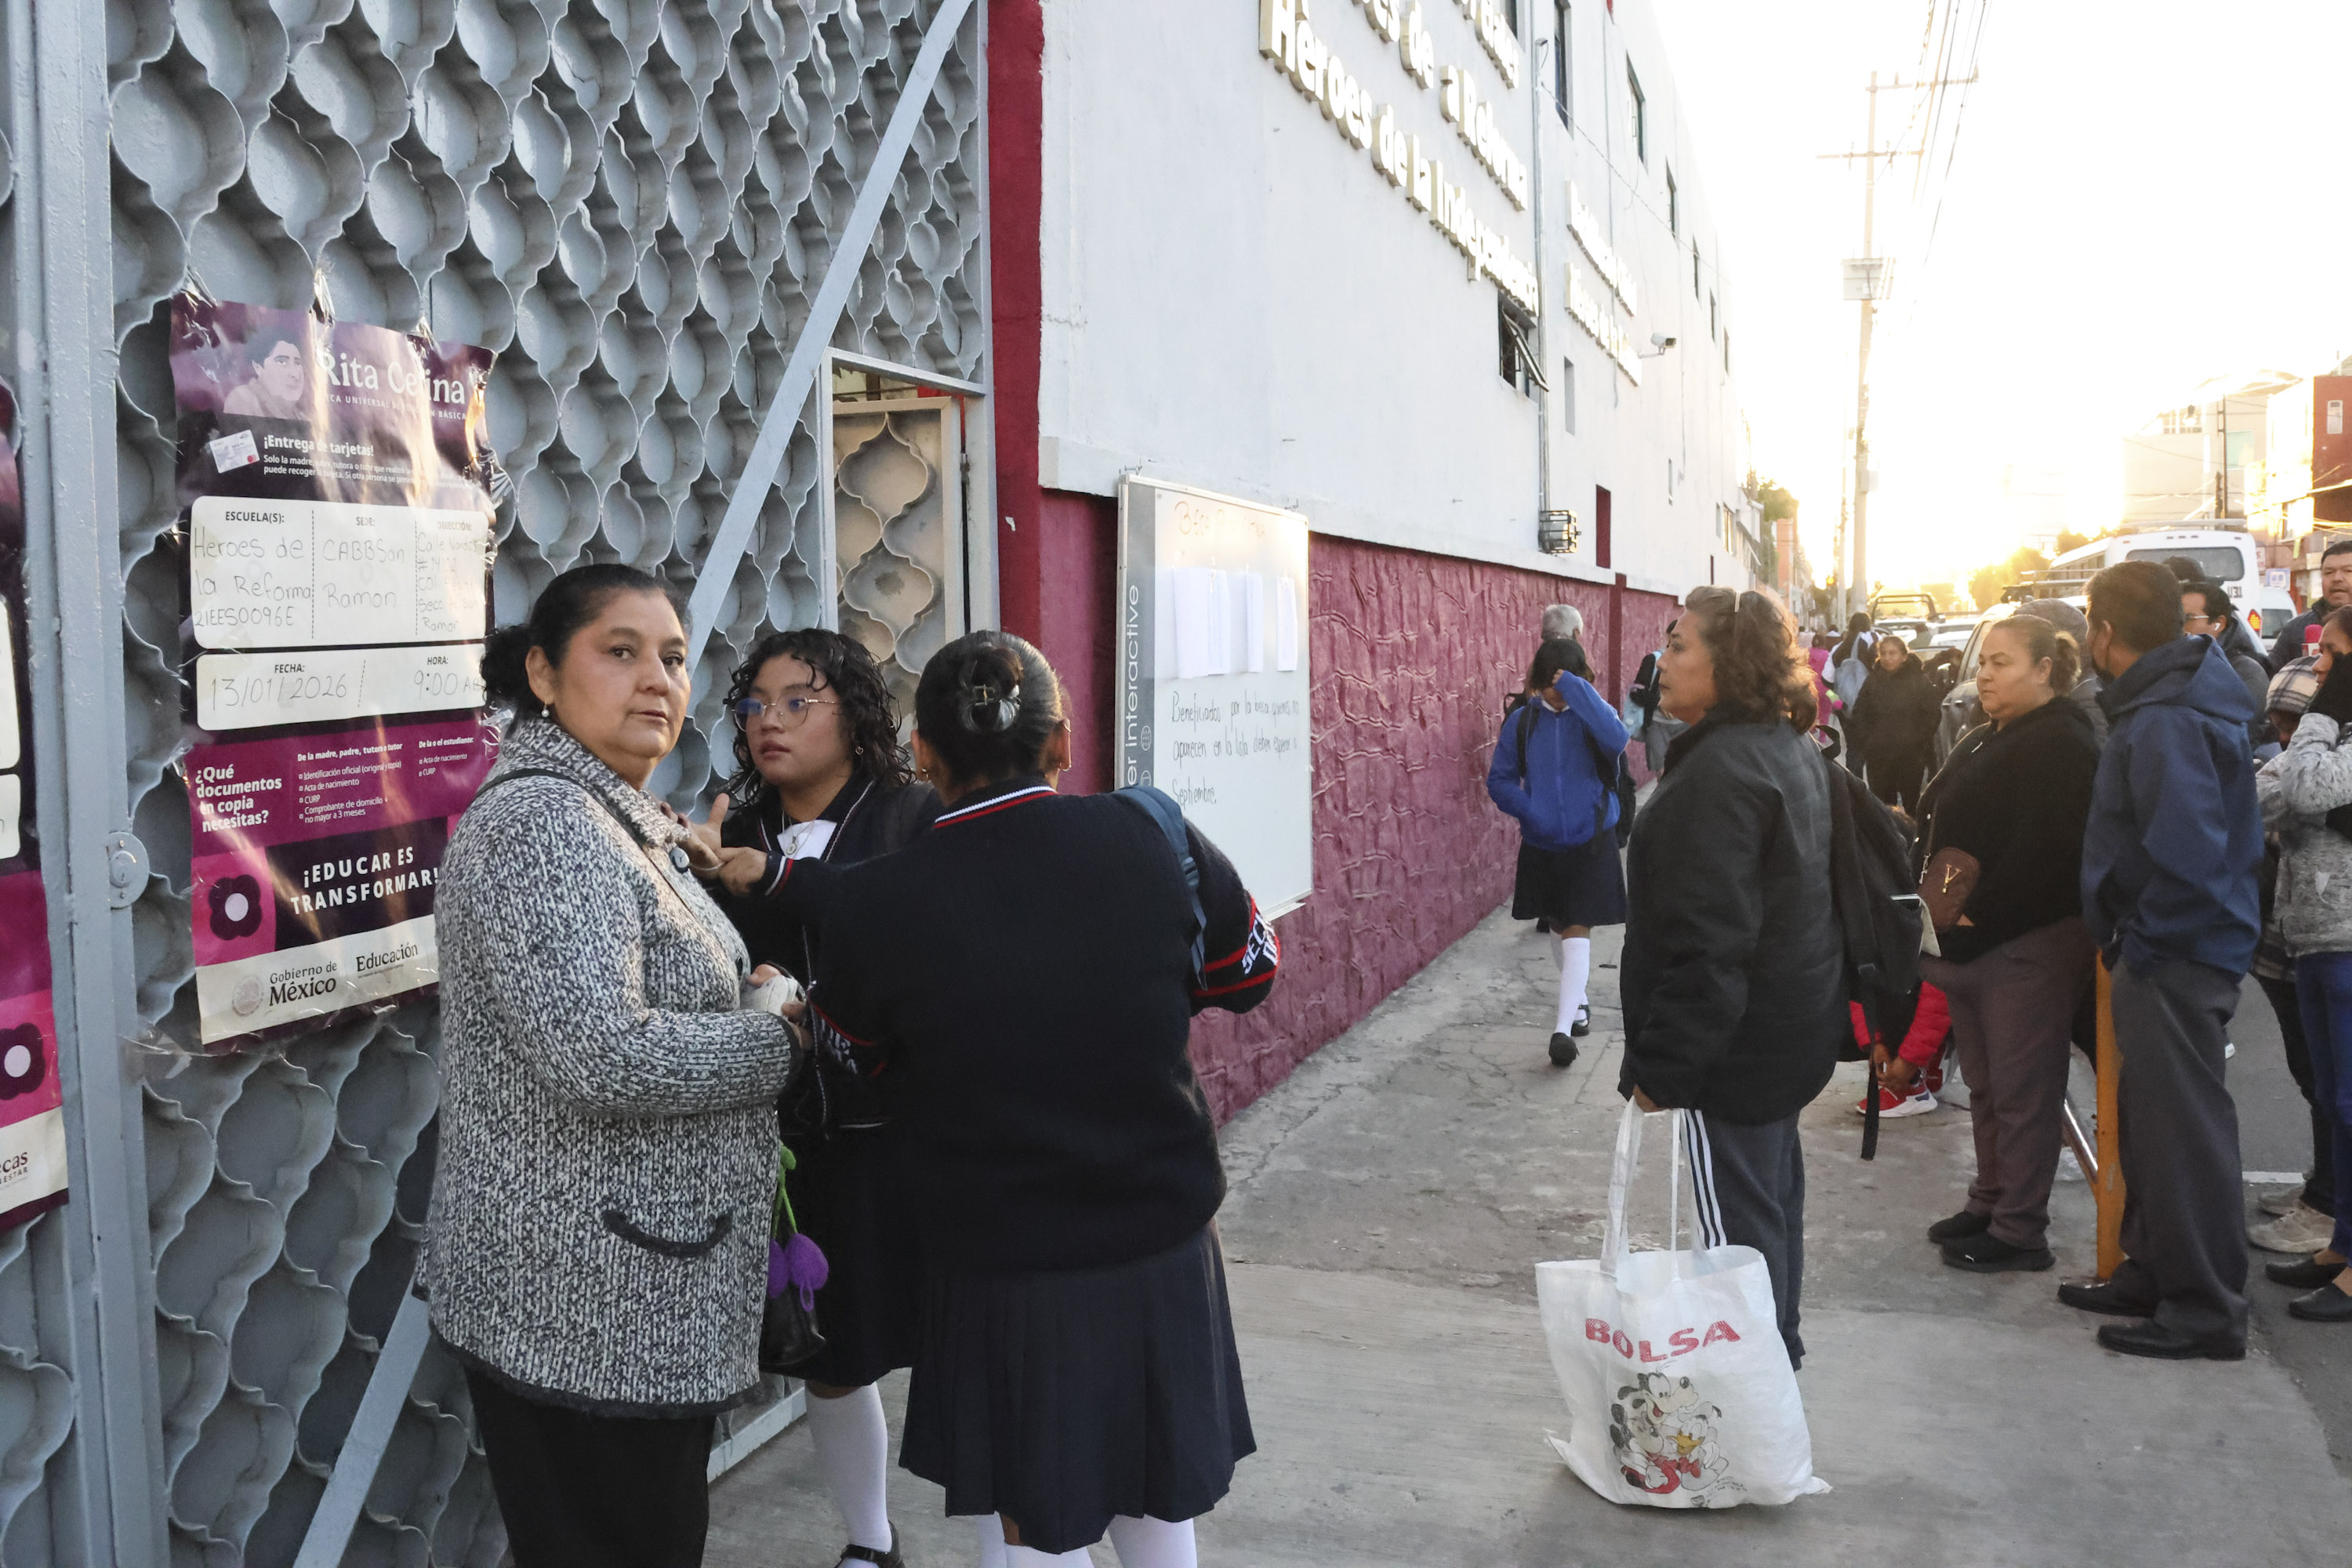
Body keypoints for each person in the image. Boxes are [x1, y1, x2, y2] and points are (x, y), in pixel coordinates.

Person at [809, 631, 1279, 1568]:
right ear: (1061, 743)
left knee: (1031, 1524)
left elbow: (856, 1058)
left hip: (1001, 1261)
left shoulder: (869, 903)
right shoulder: (1155, 834)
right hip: (1161, 1242)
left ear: (925, 754)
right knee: (1158, 1496)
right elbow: (1247, 974)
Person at [423, 564, 804, 1566]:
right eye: (621, 651)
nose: (658, 681)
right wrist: (780, 1038)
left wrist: (742, 986)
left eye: (674, 658)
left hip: (625, 1286)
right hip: (585, 1300)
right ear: (543, 673)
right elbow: (604, 1051)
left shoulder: (613, 815)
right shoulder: (545, 823)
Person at [688, 628, 939, 1568]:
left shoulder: (913, 816)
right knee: (831, 1355)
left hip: (910, 1132)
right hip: (796, 1137)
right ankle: (871, 1542)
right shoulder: (732, 832)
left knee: (966, 1334)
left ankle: (1019, 1536)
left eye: (801, 701)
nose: (770, 723)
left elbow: (924, 940)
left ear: (857, 712)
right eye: (755, 705)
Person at [1618, 586, 1843, 1370]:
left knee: (1737, 1237)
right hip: (1786, 1035)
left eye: (1680, 645)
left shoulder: (1720, 773)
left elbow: (1710, 949)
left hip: (1741, 1055)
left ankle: (1755, 1390)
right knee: (1771, 1207)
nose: (1663, 660)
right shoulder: (1781, 745)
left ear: (1729, 663)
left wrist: (1664, 1069)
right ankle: (1775, 1357)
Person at [2060, 560, 2260, 1359]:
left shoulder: (2169, 714)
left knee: (2182, 1133)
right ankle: (2156, 1266)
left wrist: (2139, 940)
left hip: (2177, 952)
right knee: (2148, 1124)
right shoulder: (2164, 699)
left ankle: (2205, 1305)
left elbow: (2190, 858)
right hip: (2170, 945)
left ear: (2101, 631)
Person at [1909, 613, 2102, 1273]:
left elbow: (2047, 853)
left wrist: (1976, 918)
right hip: (1970, 942)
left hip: (2027, 942)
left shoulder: (2063, 742)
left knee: (2024, 1091)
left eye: (2002, 663)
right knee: (1987, 1087)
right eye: (1983, 662)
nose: (1984, 674)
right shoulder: (1988, 733)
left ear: (2046, 670)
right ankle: (1989, 1200)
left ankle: (2020, 1229)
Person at [2256, 644, 2352, 1322]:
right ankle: (2342, 1246)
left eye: (2330, 668)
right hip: (2314, 935)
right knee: (2332, 1096)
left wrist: (2325, 713)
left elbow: (2308, 790)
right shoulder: (2332, 737)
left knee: (2351, 1100)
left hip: (2347, 939)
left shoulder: (2333, 725)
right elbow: (2263, 795)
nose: (2317, 682)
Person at [1488, 637, 1631, 1067]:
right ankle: (1580, 1000)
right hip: (1542, 841)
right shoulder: (1522, 722)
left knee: (1577, 928)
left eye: (1565, 683)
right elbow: (1499, 781)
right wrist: (1530, 811)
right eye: (1551, 684)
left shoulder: (1595, 716)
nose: (1558, 693)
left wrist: (1578, 689)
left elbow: (1619, 739)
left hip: (1591, 839)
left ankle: (1562, 1029)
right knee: (1556, 924)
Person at [1846, 633, 1940, 815]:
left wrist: (1917, 739)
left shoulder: (1919, 681)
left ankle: (1913, 840)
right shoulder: (1873, 681)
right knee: (1884, 809)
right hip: (1879, 757)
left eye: (1893, 653)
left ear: (1904, 656)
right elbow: (1859, 714)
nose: (1888, 658)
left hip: (1911, 757)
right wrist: (1870, 741)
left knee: (1913, 806)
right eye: (1884, 653)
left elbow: (1932, 715)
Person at [2180, 577, 2272, 747]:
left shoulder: (2245, 672)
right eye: (2176, 619)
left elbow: (2238, 734)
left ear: (2218, 623)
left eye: (2188, 618)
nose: (2180, 627)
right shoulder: (2171, 665)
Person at [2266, 538, 2352, 667]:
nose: (2337, 578)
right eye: (2329, 572)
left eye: (2348, 571)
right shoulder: (2296, 629)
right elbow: (2272, 676)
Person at [1626, 621, 1686, 773]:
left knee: (1682, 772)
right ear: (1668, 636)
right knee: (1662, 774)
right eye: (1675, 636)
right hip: (1657, 725)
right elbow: (1636, 693)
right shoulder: (1653, 660)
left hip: (1685, 726)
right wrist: (1660, 702)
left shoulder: (1693, 661)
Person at [223, 326, 310, 419]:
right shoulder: (242, 398)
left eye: (297, 363)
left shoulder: (304, 418)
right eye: (282, 362)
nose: (295, 374)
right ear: (257, 367)